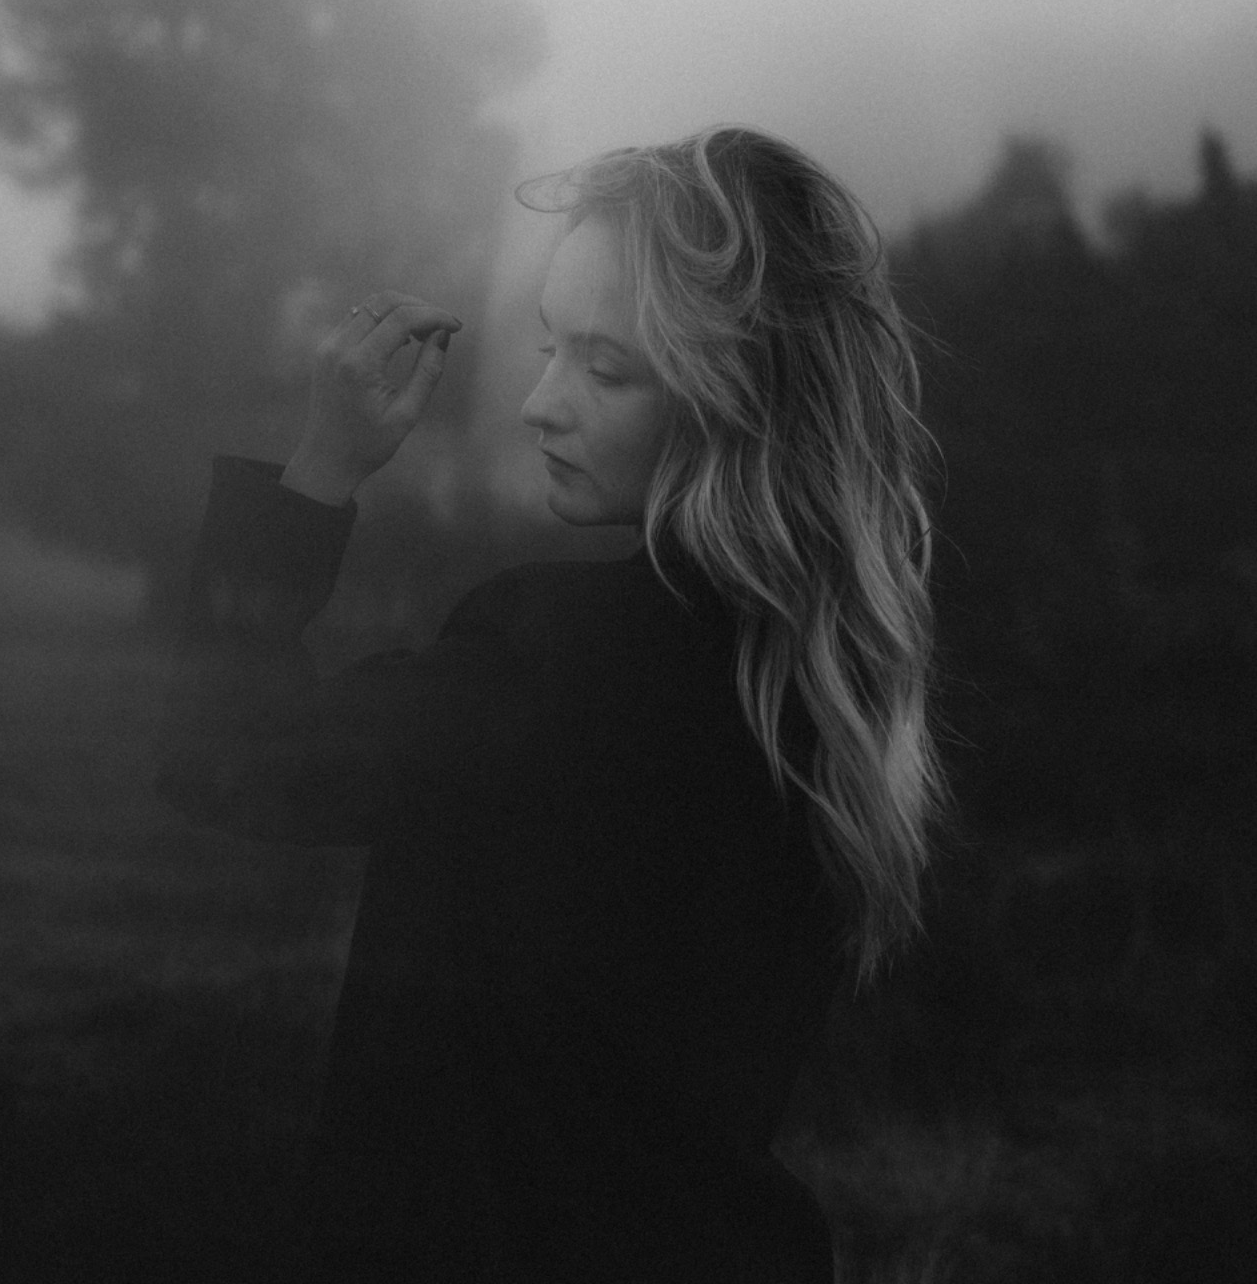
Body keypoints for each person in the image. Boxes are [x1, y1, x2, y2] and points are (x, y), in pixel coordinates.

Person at [157, 124, 945, 1282]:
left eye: (604, 368)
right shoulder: (819, 671)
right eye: (547, 347)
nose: (539, 403)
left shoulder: (558, 654)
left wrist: (320, 465)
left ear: (735, 397)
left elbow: (227, 757)